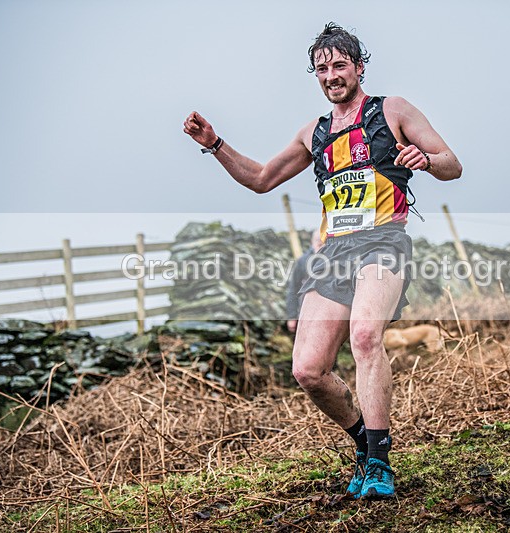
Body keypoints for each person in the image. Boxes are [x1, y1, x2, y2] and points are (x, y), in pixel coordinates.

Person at [184, 22, 461, 499]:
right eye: (322, 68)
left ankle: (379, 463)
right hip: (333, 253)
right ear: (315, 75)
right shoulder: (313, 133)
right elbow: (261, 178)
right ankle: (363, 442)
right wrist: (214, 144)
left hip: (383, 242)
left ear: (357, 67)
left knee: (365, 335)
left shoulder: (391, 111)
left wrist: (426, 161)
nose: (331, 74)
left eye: (339, 65)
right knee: (308, 369)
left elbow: (453, 164)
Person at [286, 230, 322, 333]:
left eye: (324, 242)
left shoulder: (335, 260)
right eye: (318, 242)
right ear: (312, 243)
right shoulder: (303, 261)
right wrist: (292, 317)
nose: (321, 245)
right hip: (306, 312)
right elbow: (293, 289)